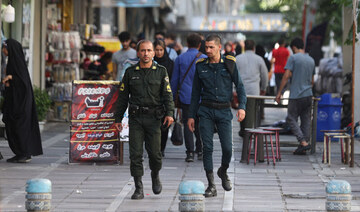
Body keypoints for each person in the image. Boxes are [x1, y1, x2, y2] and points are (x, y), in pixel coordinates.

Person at [188, 35, 246, 197]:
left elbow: (240, 87)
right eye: (206, 47)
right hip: (205, 110)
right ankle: (211, 184)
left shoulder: (229, 63)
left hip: (224, 111)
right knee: (207, 148)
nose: (208, 51)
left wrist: (242, 107)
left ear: (219, 47)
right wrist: (191, 116)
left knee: (227, 148)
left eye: (211, 47)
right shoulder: (200, 66)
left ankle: (223, 170)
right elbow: (195, 93)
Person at [115, 40, 174, 200]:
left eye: (149, 50)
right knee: (135, 154)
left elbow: (168, 94)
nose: (146, 54)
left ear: (154, 53)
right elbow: (122, 97)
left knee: (155, 154)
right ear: (138, 53)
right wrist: (117, 118)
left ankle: (155, 174)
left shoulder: (161, 71)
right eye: (142, 51)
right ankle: (138, 187)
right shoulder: (130, 72)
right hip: (136, 119)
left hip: (154, 119)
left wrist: (170, 113)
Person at [1, 38, 43, 163]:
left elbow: (22, 83)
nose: (3, 50)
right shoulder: (11, 63)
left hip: (21, 104)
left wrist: (11, 77)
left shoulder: (18, 65)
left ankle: (24, 153)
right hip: (14, 103)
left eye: (4, 48)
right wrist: (8, 83)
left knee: (20, 127)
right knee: (12, 127)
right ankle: (20, 152)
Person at [170, 33, 207, 162]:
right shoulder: (204, 58)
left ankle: (190, 153)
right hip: (202, 98)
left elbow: (174, 80)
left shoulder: (180, 58)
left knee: (187, 123)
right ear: (199, 45)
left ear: (187, 43)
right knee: (200, 123)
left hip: (186, 97)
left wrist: (172, 97)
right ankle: (200, 150)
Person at [275, 37, 315, 155]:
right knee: (306, 120)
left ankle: (303, 142)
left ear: (293, 47)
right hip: (308, 95)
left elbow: (286, 76)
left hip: (296, 95)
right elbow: (312, 81)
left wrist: (279, 93)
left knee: (291, 118)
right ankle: (303, 145)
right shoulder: (311, 60)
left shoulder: (293, 58)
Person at [153, 39, 174, 156]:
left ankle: (161, 149)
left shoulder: (170, 63)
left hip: (165, 97)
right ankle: (154, 147)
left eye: (161, 50)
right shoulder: (149, 62)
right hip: (152, 98)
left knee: (164, 125)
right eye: (157, 50)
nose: (159, 52)